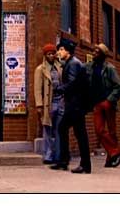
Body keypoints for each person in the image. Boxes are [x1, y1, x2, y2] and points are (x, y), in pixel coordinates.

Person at [52, 37, 92, 174]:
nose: (58, 52)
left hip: (75, 105)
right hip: (75, 105)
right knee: (67, 129)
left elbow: (72, 83)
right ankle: (66, 161)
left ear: (67, 51)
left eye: (61, 49)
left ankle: (82, 164)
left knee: (78, 133)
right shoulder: (70, 62)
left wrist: (59, 89)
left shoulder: (73, 64)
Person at [86, 43, 120, 168]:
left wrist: (109, 100)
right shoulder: (90, 67)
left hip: (108, 104)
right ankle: (116, 151)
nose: (94, 53)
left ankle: (111, 159)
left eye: (97, 52)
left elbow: (119, 87)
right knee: (99, 130)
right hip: (97, 104)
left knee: (112, 132)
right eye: (94, 51)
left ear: (103, 55)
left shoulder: (110, 68)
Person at [34, 43, 64, 165]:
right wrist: (39, 105)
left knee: (59, 129)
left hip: (60, 101)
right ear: (45, 55)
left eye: (53, 53)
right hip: (48, 103)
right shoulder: (40, 69)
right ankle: (48, 155)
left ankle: (58, 155)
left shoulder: (60, 67)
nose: (51, 56)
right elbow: (37, 89)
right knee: (47, 130)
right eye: (48, 54)